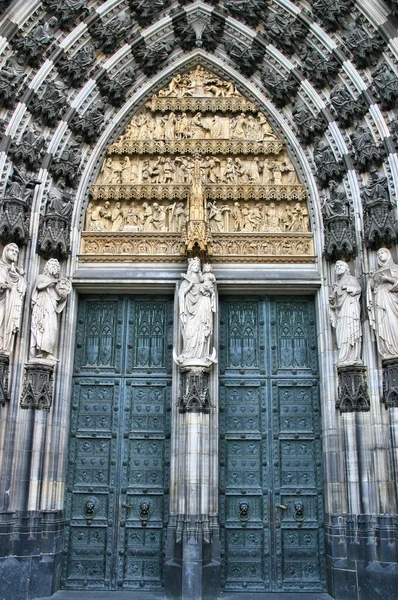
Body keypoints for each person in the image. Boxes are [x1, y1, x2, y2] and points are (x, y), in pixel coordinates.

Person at [176, 258, 216, 366]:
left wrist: (209, 292)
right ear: (190, 267)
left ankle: (202, 355)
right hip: (191, 311)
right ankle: (188, 354)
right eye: (194, 265)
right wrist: (190, 284)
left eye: (198, 266)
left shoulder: (203, 281)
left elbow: (210, 290)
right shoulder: (186, 281)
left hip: (202, 308)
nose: (197, 267)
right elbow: (182, 294)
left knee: (202, 329)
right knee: (190, 331)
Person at [30, 259, 71, 361]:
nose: (54, 266)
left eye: (56, 265)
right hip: (42, 308)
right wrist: (52, 281)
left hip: (51, 308)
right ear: (46, 267)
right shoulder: (42, 277)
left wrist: (63, 295)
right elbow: (39, 286)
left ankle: (48, 353)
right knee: (42, 327)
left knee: (52, 328)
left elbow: (60, 298)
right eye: (51, 264)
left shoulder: (59, 283)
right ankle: (40, 352)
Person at [329, 261, 362, 366]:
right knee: (342, 333)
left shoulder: (351, 279)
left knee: (349, 331)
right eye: (336, 266)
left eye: (340, 265)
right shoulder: (337, 284)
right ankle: (344, 357)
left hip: (350, 309)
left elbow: (358, 289)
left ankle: (350, 357)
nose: (338, 267)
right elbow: (334, 303)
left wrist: (347, 288)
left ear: (346, 268)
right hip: (341, 313)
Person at [367, 248, 398, 358]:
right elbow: (371, 288)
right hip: (380, 300)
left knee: (393, 323)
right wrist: (371, 279)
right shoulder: (376, 273)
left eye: (382, 253)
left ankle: (395, 350)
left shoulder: (395, 268)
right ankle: (388, 350)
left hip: (392, 300)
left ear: (389, 254)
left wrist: (388, 278)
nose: (380, 255)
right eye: (378, 254)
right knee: (383, 324)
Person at [0, 244, 27, 354]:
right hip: (3, 301)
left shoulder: (16, 271)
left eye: (16, 251)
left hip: (11, 303)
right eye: (12, 250)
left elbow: (22, 288)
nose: (14, 252)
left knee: (7, 324)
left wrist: (19, 277)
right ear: (5, 251)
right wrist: (4, 286)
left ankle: (4, 348)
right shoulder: (1, 267)